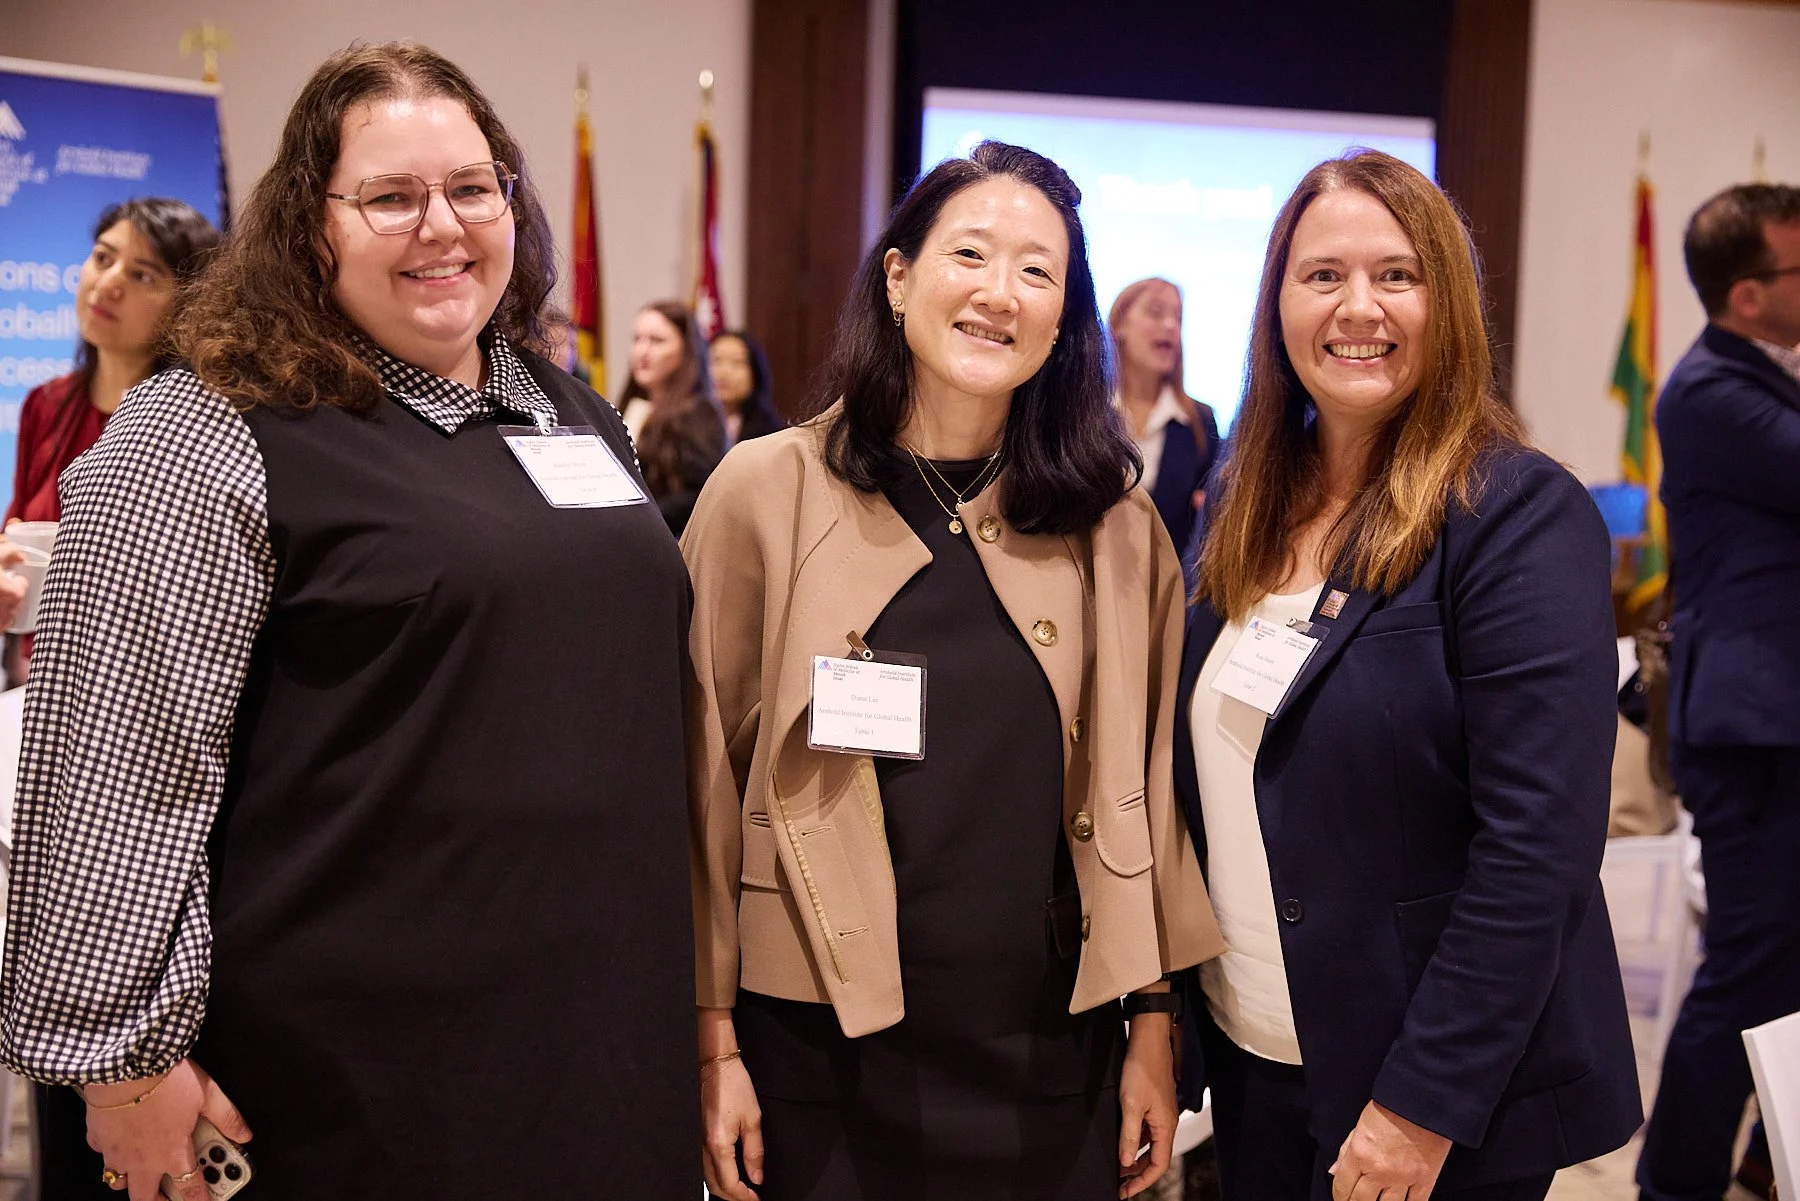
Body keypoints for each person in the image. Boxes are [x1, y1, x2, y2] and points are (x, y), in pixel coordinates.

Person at [0, 42, 697, 1201]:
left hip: (595, 1043)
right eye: (390, 197)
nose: (443, 225)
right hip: (349, 1082)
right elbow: (113, 766)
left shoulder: (567, 407)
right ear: (304, 223)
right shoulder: (204, 427)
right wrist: (120, 1066)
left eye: (474, 189)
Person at [686, 139, 1224, 1201]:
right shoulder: (764, 492)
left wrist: (1153, 1022)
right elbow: (698, 783)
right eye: (970, 254)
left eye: (1037, 272)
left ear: (1065, 317)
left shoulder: (1114, 525)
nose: (999, 294)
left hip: (1048, 1056)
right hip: (815, 1052)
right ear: (897, 276)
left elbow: (1147, 789)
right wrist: (712, 1044)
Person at [1176, 149, 1641, 1201]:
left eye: (1396, 275)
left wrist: (1419, 1105)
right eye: (1322, 275)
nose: (1358, 308)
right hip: (1255, 1066)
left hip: (1422, 1103)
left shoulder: (1513, 515)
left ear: (1450, 302)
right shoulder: (1243, 506)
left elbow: (1539, 846)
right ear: (1278, 302)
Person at [1636, 182, 1800, 1201]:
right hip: (1756, 732)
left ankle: (1760, 1157)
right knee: (1750, 968)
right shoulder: (1707, 389)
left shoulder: (1764, 374)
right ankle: (1677, 1185)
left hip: (1777, 722)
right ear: (1748, 294)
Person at [7, 198, 220, 525]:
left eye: (142, 276)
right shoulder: (45, 404)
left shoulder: (197, 429)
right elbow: (18, 524)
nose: (107, 285)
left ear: (188, 306)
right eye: (103, 258)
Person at [1109, 278, 1220, 556]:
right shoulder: (1081, 411)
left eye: (1178, 317)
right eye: (1156, 313)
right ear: (1119, 325)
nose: (1171, 326)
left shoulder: (1200, 421)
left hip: (1169, 587)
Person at [617, 298, 726, 532]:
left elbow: (700, 492)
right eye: (637, 339)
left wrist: (639, 516)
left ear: (685, 350)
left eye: (656, 341)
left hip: (671, 541)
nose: (642, 351)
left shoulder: (697, 412)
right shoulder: (635, 406)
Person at [709, 327, 786, 444]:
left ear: (755, 373)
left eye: (737, 362)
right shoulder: (685, 425)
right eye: (716, 360)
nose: (724, 372)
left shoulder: (771, 434)